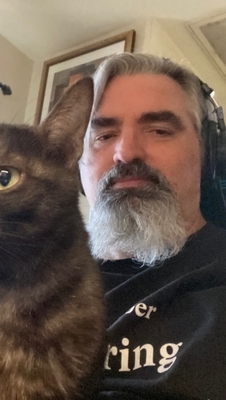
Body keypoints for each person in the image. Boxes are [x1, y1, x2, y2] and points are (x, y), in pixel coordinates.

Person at [79, 53, 226, 400]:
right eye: (104, 135)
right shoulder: (23, 286)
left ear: (209, 155)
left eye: (159, 131)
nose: (126, 152)